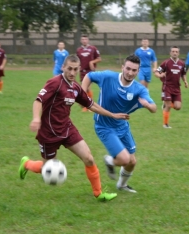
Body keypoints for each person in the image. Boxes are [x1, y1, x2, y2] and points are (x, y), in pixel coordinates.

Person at [18, 54, 130, 202]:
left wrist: (112, 115)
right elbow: (38, 100)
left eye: (75, 69)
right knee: (47, 169)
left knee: (88, 157)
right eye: (69, 69)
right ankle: (26, 163)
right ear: (63, 67)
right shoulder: (55, 83)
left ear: (78, 69)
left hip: (67, 129)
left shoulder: (76, 87)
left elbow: (92, 105)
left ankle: (99, 193)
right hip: (48, 133)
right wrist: (36, 118)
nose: (72, 73)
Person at [81, 54, 157, 193]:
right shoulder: (108, 76)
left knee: (132, 162)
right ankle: (110, 161)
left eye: (134, 70)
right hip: (104, 126)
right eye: (128, 68)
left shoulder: (139, 89)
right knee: (124, 159)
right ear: (122, 67)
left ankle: (121, 185)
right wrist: (82, 94)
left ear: (138, 71)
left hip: (122, 126)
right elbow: (89, 76)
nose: (130, 73)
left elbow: (154, 108)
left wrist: (147, 105)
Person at [154, 46, 188, 128]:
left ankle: (166, 104)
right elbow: (156, 72)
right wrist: (160, 75)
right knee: (169, 105)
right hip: (167, 87)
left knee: (178, 107)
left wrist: (185, 81)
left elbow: (183, 74)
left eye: (176, 51)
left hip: (177, 88)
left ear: (178, 53)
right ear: (170, 53)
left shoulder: (182, 64)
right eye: (173, 51)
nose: (175, 53)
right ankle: (165, 124)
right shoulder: (166, 63)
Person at [76, 35, 101, 111]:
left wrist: (92, 62)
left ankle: (88, 106)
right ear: (81, 41)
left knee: (87, 88)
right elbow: (77, 61)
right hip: (82, 72)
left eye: (85, 39)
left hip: (90, 71)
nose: (84, 41)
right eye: (83, 39)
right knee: (83, 89)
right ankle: (87, 105)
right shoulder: (79, 50)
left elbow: (99, 58)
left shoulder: (93, 48)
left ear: (88, 40)